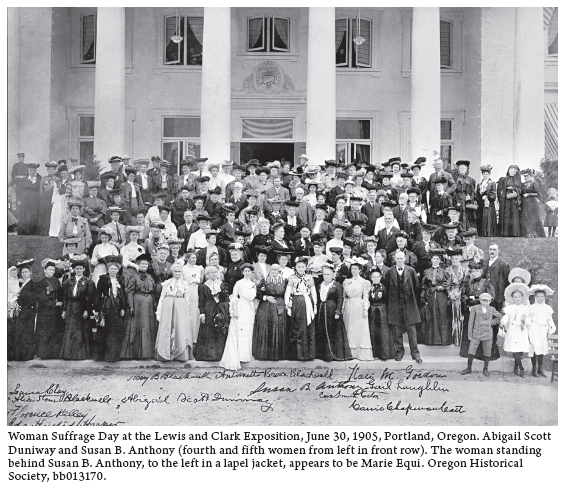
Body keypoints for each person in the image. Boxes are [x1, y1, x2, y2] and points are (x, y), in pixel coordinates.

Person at [383, 250, 422, 362]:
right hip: (395, 306)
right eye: (397, 258)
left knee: (412, 332)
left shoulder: (411, 270)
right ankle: (399, 353)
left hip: (409, 305)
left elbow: (416, 287)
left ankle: (415, 354)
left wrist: (413, 302)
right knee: (397, 331)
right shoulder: (390, 272)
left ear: (405, 259)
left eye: (401, 258)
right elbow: (386, 288)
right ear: (395, 259)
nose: (399, 260)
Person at [220, 263, 257, 370]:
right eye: (245, 271)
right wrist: (234, 311)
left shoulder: (253, 284)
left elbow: (253, 298)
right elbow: (234, 297)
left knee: (247, 331)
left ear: (251, 272)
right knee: (239, 331)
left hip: (249, 310)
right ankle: (238, 356)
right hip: (241, 308)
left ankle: (245, 356)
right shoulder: (239, 283)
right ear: (242, 272)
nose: (247, 273)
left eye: (249, 271)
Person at [121, 253, 158, 360]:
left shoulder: (150, 277)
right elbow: (129, 292)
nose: (144, 266)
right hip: (138, 304)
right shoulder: (133, 276)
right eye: (142, 264)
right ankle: (135, 353)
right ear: (138, 265)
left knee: (148, 326)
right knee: (136, 326)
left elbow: (153, 291)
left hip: (149, 304)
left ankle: (147, 353)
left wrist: (154, 303)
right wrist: (131, 305)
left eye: (146, 264)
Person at [154, 262, 194, 361]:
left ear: (182, 272)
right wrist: (159, 312)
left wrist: (187, 313)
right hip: (168, 307)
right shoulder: (167, 283)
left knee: (180, 328)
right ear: (172, 272)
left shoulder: (185, 284)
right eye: (175, 271)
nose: (177, 273)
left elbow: (188, 300)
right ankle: (165, 354)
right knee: (167, 328)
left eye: (179, 271)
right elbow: (162, 298)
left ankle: (180, 354)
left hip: (180, 307)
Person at [59, 257, 96, 360]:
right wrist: (64, 310)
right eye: (77, 268)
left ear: (84, 269)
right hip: (70, 306)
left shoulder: (88, 281)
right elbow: (65, 297)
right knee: (70, 328)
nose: (79, 270)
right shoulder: (68, 281)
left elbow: (90, 298)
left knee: (81, 329)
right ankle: (69, 354)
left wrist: (86, 310)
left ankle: (81, 355)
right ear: (74, 269)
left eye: (80, 268)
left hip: (81, 306)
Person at [92, 255, 127, 362]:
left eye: (115, 268)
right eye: (111, 268)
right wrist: (97, 309)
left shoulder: (121, 279)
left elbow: (123, 294)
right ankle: (100, 356)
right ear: (108, 269)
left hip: (117, 306)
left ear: (118, 269)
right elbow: (98, 294)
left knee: (114, 331)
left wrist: (122, 307)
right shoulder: (103, 279)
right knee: (103, 330)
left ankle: (112, 356)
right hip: (106, 305)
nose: (113, 270)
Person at [459, 260, 496, 359]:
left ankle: (480, 354)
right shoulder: (468, 282)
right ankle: (468, 353)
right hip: (470, 309)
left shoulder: (486, 283)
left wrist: (479, 302)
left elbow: (491, 297)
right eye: (472, 271)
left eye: (476, 271)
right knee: (470, 329)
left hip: (481, 310)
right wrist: (467, 300)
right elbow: (463, 294)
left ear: (481, 271)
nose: (474, 273)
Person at [315, 263, 352, 361]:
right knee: (322, 330)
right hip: (321, 310)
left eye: (328, 274)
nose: (326, 276)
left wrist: (337, 312)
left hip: (332, 310)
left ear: (332, 275)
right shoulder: (320, 285)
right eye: (324, 274)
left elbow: (340, 299)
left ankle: (331, 354)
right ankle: (322, 354)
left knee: (332, 331)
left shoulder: (336, 285)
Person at [460, 292, 501, 377]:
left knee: (487, 351)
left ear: (490, 301)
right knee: (471, 350)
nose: (485, 302)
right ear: (480, 300)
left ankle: (485, 368)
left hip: (488, 334)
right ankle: (468, 368)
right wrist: (470, 334)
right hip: (476, 333)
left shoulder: (492, 309)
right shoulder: (475, 308)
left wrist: (492, 322)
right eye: (483, 300)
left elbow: (499, 316)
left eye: (487, 301)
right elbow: (470, 321)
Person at [195, 265, 230, 361]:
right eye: (212, 272)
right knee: (209, 331)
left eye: (215, 272)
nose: (214, 274)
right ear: (207, 275)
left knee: (220, 330)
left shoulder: (222, 284)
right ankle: (210, 355)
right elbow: (201, 301)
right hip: (209, 310)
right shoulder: (203, 286)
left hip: (221, 309)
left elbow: (226, 299)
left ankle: (220, 355)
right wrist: (202, 313)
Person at [285, 256, 317, 360]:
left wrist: (315, 305)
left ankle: (308, 354)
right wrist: (287, 305)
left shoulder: (309, 278)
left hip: (307, 302)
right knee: (298, 327)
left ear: (306, 268)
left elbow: (313, 291)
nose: (301, 269)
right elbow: (288, 292)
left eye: (303, 267)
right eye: (299, 267)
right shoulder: (291, 278)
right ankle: (298, 354)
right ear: (295, 267)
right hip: (297, 302)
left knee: (308, 326)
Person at [342, 259, 373, 360]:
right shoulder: (346, 282)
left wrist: (365, 309)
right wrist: (343, 308)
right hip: (349, 306)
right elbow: (344, 297)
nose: (353, 271)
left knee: (359, 328)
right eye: (352, 269)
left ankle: (360, 352)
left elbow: (366, 297)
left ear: (360, 270)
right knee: (349, 327)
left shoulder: (364, 282)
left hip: (359, 306)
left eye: (355, 269)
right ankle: (349, 352)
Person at [421, 249, 451, 346]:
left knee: (442, 315)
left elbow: (448, 284)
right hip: (430, 295)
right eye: (434, 258)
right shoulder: (426, 271)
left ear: (440, 260)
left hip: (441, 295)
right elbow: (423, 285)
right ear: (431, 260)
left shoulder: (444, 271)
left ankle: (443, 340)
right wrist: (423, 297)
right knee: (432, 315)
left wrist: (440, 287)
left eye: (437, 259)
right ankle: (432, 340)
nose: (435, 260)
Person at [500, 283, 531, 377]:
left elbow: (529, 321)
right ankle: (521, 368)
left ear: (522, 298)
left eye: (519, 297)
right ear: (512, 298)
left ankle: (516, 367)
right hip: (513, 330)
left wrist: (525, 320)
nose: (517, 299)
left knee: (519, 350)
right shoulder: (509, 308)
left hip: (521, 330)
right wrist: (503, 322)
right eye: (515, 297)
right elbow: (506, 317)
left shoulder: (525, 308)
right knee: (515, 350)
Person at [8, 260, 36, 361]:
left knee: (27, 333)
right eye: (23, 272)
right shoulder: (21, 284)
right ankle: (19, 355)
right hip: (21, 312)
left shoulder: (32, 284)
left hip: (27, 312)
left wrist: (20, 300)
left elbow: (31, 298)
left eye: (26, 272)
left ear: (30, 273)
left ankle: (26, 355)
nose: (24, 274)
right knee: (20, 333)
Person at [527, 284, 556, 377]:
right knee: (535, 347)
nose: (540, 298)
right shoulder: (531, 307)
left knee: (542, 348)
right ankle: (534, 368)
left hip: (543, 329)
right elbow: (528, 320)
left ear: (545, 297)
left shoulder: (547, 308)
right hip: (534, 328)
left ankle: (540, 368)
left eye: (542, 296)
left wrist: (550, 329)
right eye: (538, 296)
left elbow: (550, 320)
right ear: (535, 297)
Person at [368, 268, 394, 360]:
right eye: (374, 277)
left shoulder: (384, 288)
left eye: (377, 277)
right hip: (372, 311)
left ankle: (384, 354)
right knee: (373, 331)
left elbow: (386, 299)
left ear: (380, 277)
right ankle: (375, 353)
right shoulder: (369, 288)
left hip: (382, 310)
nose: (376, 278)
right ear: (371, 278)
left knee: (383, 331)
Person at [446, 248, 467, 346]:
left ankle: (459, 339)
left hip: (460, 294)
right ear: (450, 259)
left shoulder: (464, 270)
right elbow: (445, 283)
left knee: (459, 316)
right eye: (453, 259)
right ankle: (452, 338)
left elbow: (465, 284)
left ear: (460, 258)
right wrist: (450, 293)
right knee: (451, 316)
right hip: (450, 295)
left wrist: (459, 292)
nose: (455, 260)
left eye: (457, 259)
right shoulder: (447, 270)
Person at [182, 250, 204, 342]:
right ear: (187, 258)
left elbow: (201, 280)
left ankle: (195, 339)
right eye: (193, 257)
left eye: (195, 258)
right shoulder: (183, 268)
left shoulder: (199, 268)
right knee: (187, 313)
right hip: (187, 291)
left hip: (197, 291)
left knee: (196, 313)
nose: (195, 259)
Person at [17, 163, 42, 235]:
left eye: (33, 170)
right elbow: (18, 191)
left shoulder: (39, 180)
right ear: (28, 171)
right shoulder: (23, 180)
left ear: (36, 171)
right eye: (30, 170)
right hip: (25, 202)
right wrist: (19, 200)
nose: (32, 172)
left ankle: (33, 232)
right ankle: (24, 232)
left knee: (34, 216)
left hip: (35, 202)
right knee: (25, 216)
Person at [497, 165, 522, 237]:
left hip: (514, 201)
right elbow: (499, 190)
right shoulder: (503, 179)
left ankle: (514, 233)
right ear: (508, 171)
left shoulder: (518, 180)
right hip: (505, 201)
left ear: (517, 172)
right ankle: (504, 233)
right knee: (506, 215)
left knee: (513, 216)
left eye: (514, 171)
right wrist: (500, 200)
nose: (512, 172)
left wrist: (513, 188)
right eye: (511, 170)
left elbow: (520, 190)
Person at [520, 168, 545, 238]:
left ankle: (533, 233)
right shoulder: (523, 184)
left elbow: (538, 194)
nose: (525, 178)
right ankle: (527, 233)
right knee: (526, 218)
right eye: (524, 176)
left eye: (527, 176)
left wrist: (529, 194)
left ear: (531, 176)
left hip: (532, 203)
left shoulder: (534, 183)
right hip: (524, 203)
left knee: (532, 218)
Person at [484, 244, 510, 311]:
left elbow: (506, 282)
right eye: (490, 249)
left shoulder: (503, 264)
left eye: (494, 249)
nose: (492, 251)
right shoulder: (484, 262)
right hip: (485, 293)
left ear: (498, 251)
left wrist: (504, 297)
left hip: (497, 295)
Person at [49, 164, 71, 237]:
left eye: (64, 173)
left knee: (64, 214)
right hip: (58, 199)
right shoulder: (57, 181)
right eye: (62, 173)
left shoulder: (70, 181)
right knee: (57, 215)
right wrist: (53, 200)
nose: (63, 174)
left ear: (67, 173)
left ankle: (64, 232)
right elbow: (55, 191)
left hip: (66, 199)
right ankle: (55, 232)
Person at [453, 160, 476, 230]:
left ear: (466, 170)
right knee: (458, 214)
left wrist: (470, 199)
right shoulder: (455, 178)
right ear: (458, 170)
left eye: (464, 168)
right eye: (461, 168)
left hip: (467, 199)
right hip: (458, 198)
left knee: (467, 214)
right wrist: (456, 200)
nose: (462, 170)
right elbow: (453, 190)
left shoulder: (471, 179)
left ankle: (466, 230)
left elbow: (472, 192)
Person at [38, 162, 59, 236]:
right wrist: (42, 197)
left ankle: (52, 231)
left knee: (52, 214)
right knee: (44, 214)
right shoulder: (44, 178)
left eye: (52, 169)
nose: (50, 171)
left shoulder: (57, 179)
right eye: (49, 169)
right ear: (47, 170)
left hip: (53, 199)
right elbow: (40, 189)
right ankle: (44, 231)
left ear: (54, 170)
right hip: (44, 199)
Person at [476, 164, 497, 237]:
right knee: (482, 217)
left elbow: (493, 194)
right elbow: (477, 194)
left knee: (488, 218)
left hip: (489, 203)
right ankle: (482, 233)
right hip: (481, 203)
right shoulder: (480, 184)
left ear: (489, 174)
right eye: (484, 174)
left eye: (486, 174)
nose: (485, 175)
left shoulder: (492, 183)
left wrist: (487, 196)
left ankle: (489, 233)